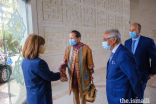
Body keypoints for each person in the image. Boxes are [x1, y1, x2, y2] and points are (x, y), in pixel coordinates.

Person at [102, 29, 143, 104]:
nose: (103, 42)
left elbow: (133, 76)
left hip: (122, 95)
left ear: (114, 39)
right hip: (113, 94)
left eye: (105, 39)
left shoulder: (124, 53)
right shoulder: (114, 52)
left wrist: (138, 94)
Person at [22, 34, 63, 104]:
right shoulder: (39, 63)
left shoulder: (24, 60)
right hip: (41, 98)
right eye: (42, 44)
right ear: (36, 46)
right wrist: (61, 74)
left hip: (31, 97)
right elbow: (49, 76)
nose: (43, 47)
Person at [60, 30, 94, 104]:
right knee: (75, 95)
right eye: (69, 38)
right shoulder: (68, 49)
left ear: (78, 38)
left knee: (83, 96)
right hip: (72, 77)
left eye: (72, 38)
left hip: (83, 78)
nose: (70, 40)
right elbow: (64, 61)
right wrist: (62, 69)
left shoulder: (86, 49)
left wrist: (90, 75)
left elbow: (90, 65)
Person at [125, 23, 156, 96]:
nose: (131, 32)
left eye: (134, 30)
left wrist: (152, 72)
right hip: (128, 75)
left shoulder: (148, 41)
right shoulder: (127, 42)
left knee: (138, 97)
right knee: (129, 95)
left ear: (139, 31)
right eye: (130, 30)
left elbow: (154, 58)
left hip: (141, 75)